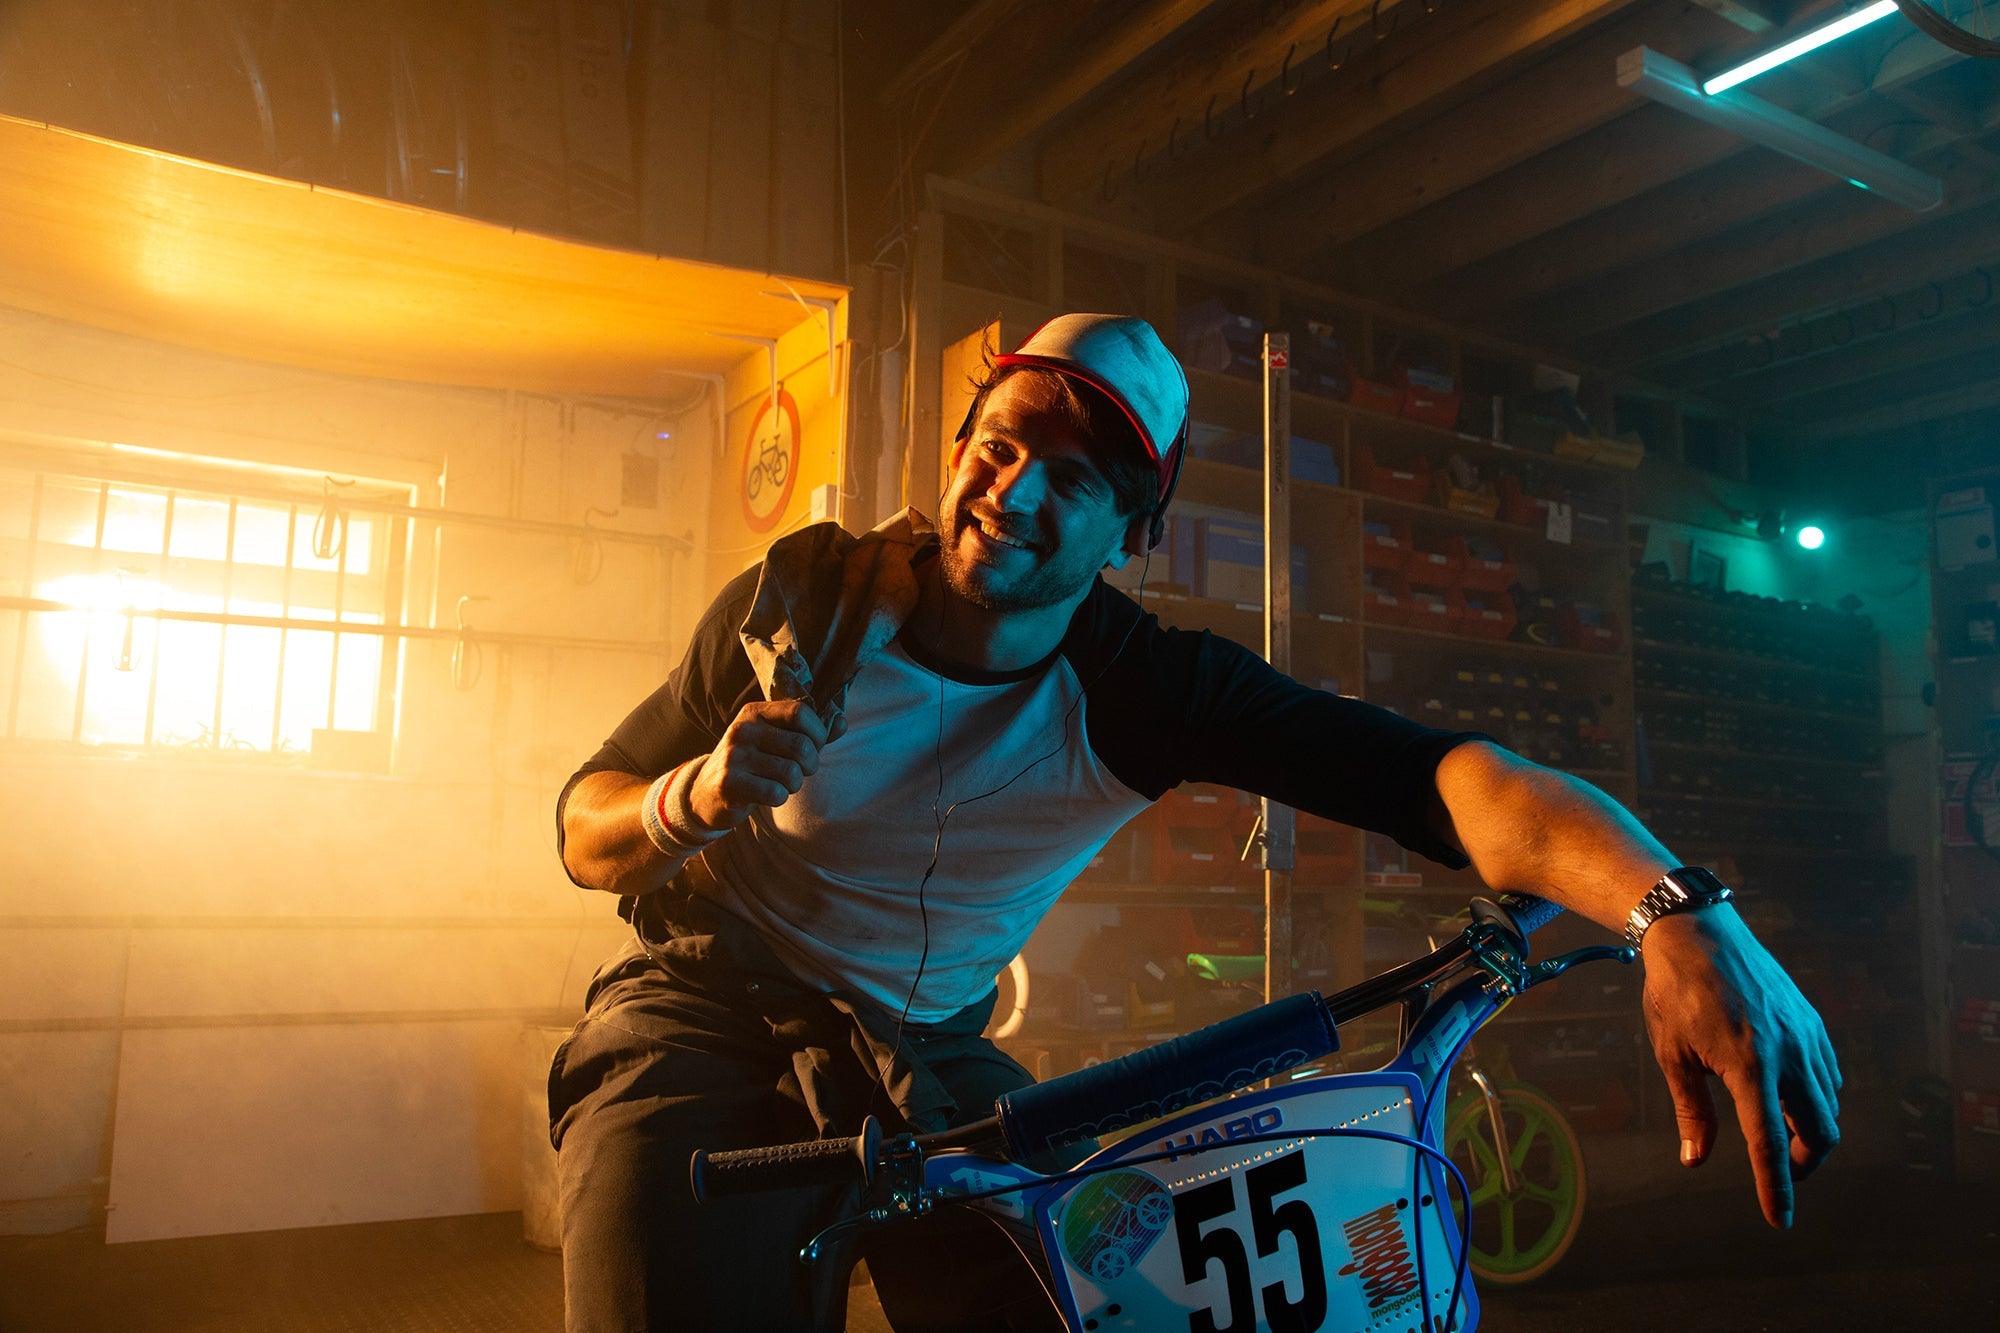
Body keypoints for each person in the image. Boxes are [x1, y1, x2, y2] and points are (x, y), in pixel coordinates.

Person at [549, 314, 1840, 1332]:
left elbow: (1449, 777)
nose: (1015, 491)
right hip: (704, 1003)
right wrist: (698, 794)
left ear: (1135, 530)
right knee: (664, 1278)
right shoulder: (804, 610)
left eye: (1075, 478)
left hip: (927, 1051)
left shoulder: (1148, 689)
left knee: (1094, 1285)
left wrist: (1676, 907)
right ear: (956, 451)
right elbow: (582, 827)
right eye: (997, 446)